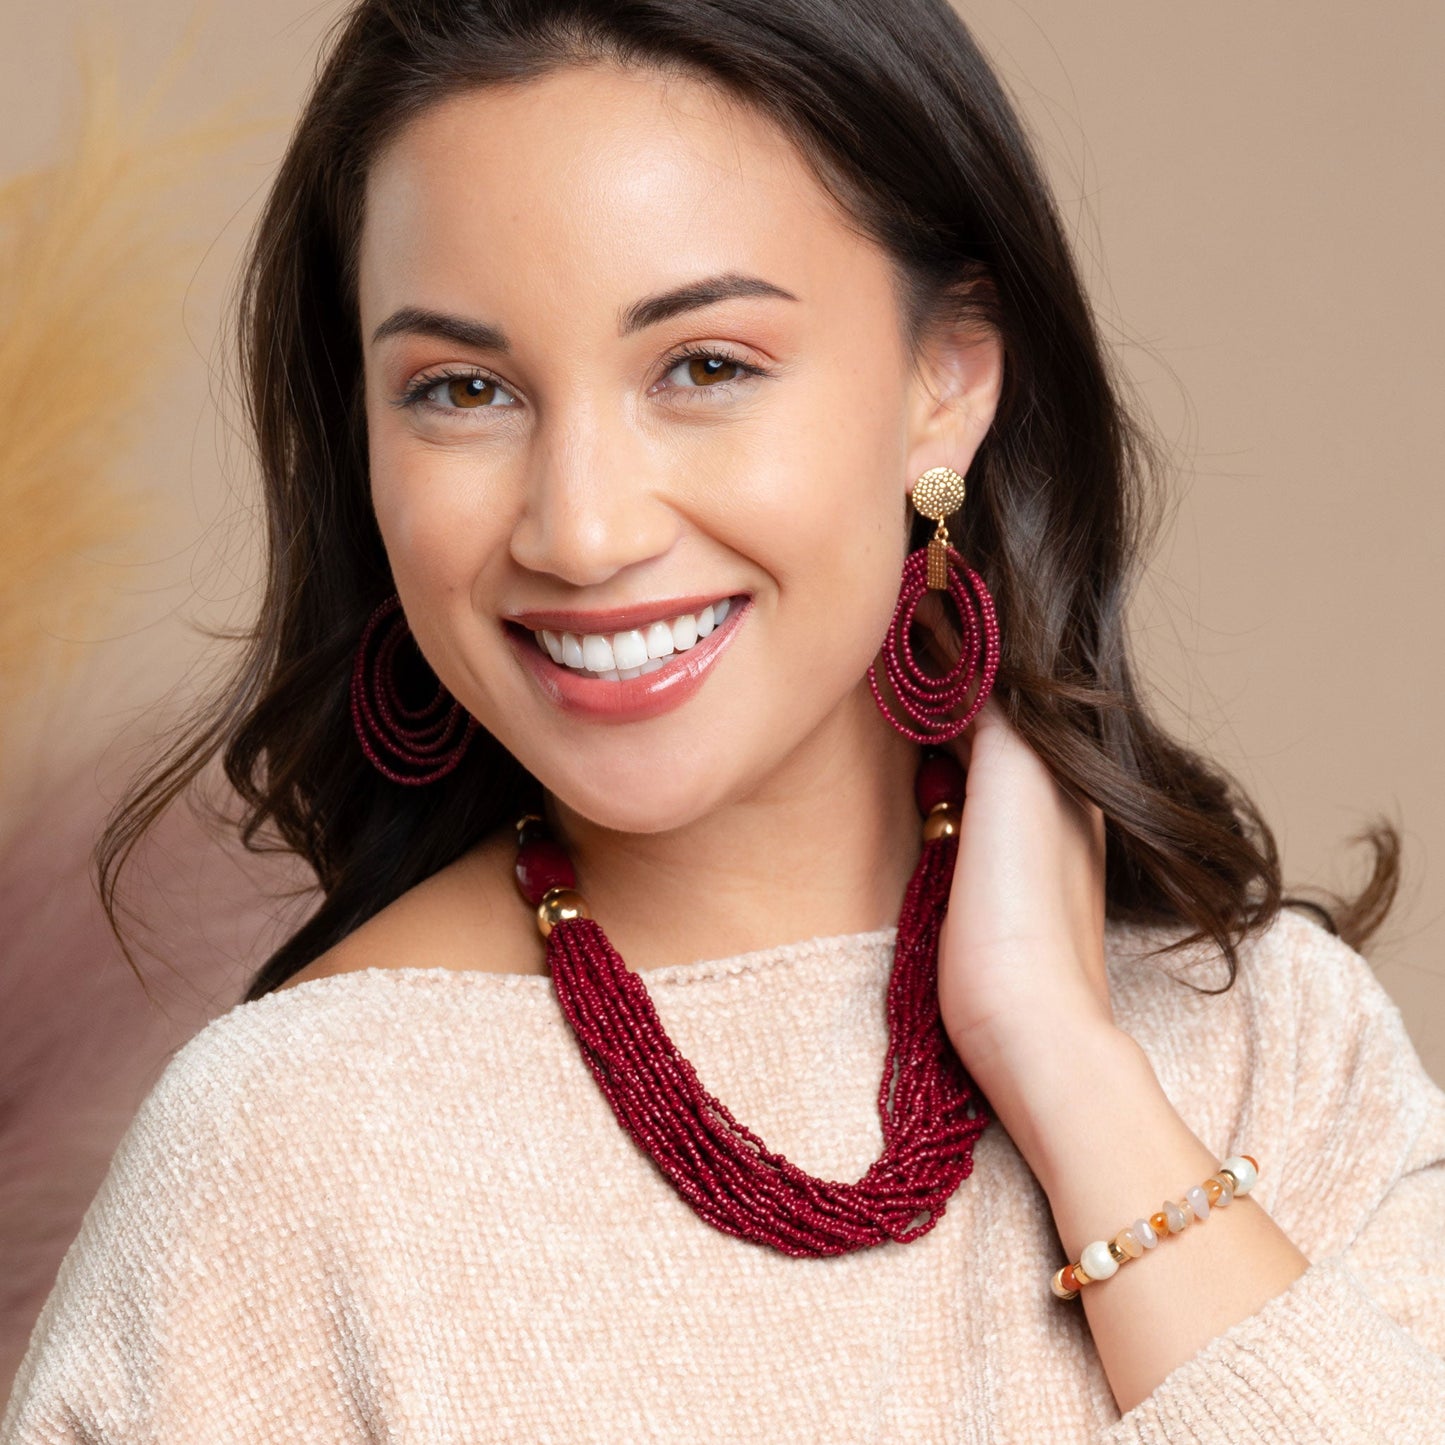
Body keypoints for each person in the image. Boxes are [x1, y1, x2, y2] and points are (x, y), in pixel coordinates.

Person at [4, 1, 1443, 1439]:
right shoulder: (284, 1155)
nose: (579, 527)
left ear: (945, 383)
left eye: (703, 365)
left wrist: (1062, 1059)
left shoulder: (1270, 1047)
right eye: (461, 389)